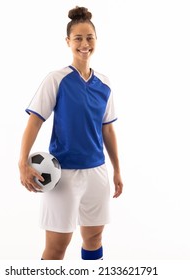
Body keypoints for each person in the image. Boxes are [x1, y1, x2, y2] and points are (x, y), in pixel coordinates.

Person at [18, 6, 123, 260]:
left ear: (96, 41)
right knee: (57, 247)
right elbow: (35, 121)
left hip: (97, 172)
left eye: (89, 38)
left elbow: (107, 129)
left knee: (94, 238)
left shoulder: (105, 84)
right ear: (68, 42)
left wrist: (117, 170)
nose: (84, 44)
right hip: (61, 175)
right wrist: (23, 162)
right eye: (78, 38)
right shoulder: (57, 79)